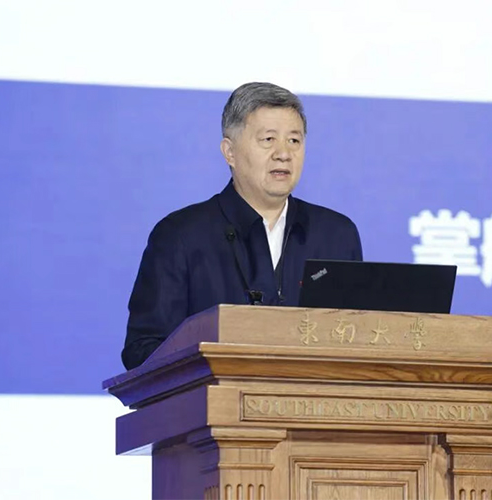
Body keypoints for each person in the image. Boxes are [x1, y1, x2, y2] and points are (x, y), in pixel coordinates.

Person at [121, 82, 363, 370]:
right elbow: (143, 350)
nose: (284, 153)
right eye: (268, 139)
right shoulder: (180, 235)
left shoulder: (336, 235)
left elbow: (358, 339)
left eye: (294, 141)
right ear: (230, 152)